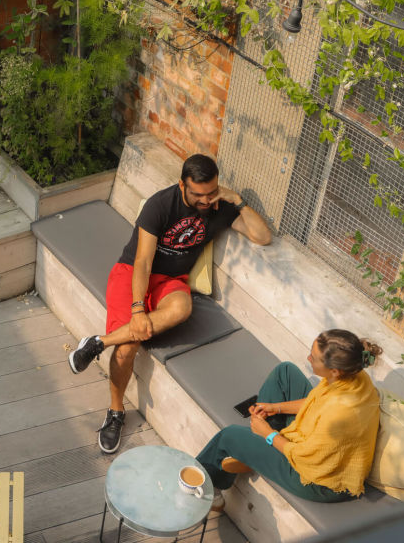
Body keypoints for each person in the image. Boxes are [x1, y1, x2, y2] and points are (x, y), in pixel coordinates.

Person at [67, 153, 271, 453]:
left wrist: (235, 199)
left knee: (182, 308)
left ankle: (98, 342)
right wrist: (138, 309)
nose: (205, 200)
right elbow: (143, 260)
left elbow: (262, 236)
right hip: (133, 273)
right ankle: (115, 411)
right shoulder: (161, 204)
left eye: (211, 192)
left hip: (170, 281)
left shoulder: (221, 206)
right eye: (198, 194)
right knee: (127, 348)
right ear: (182, 185)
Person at [196, 329, 382, 509]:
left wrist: (267, 434)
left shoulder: (339, 414)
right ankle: (254, 453)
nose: (308, 358)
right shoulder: (355, 375)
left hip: (320, 480)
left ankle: (206, 493)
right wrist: (275, 408)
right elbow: (316, 402)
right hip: (315, 447)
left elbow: (305, 457)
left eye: (313, 358)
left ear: (334, 371)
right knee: (285, 372)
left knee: (229, 436)